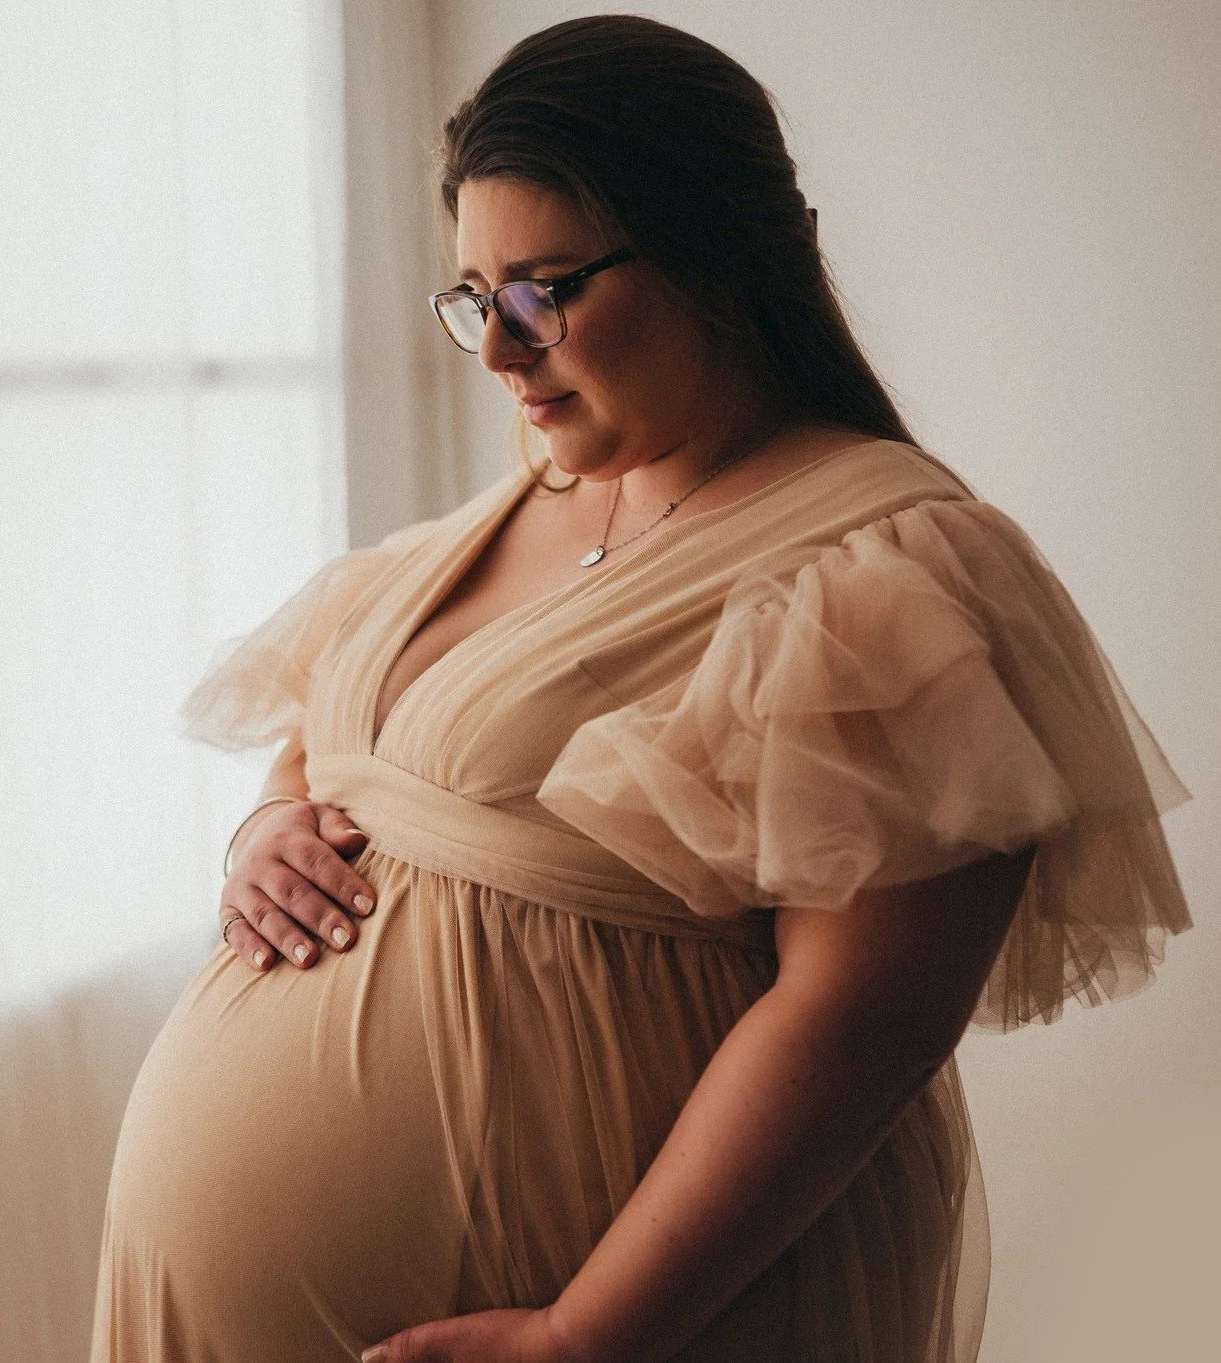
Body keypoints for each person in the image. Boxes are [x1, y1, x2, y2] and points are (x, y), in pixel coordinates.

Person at [90, 15, 1192, 1363]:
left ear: (717, 252)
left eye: (543, 289)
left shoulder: (881, 564)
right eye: (471, 296)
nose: (498, 349)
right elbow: (343, 737)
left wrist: (581, 1330)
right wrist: (271, 824)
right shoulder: (529, 504)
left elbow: (869, 1017)